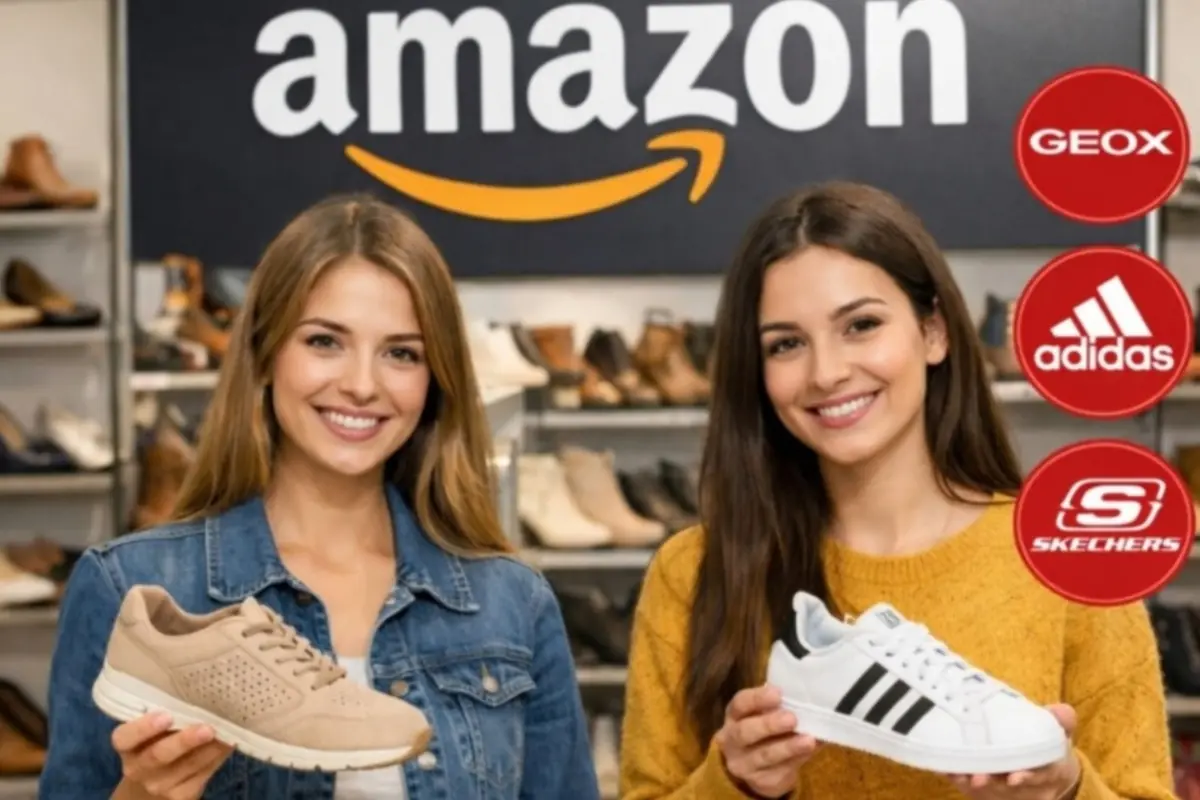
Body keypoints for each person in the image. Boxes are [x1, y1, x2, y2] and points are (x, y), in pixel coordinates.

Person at [620, 182, 1176, 799]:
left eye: (861, 325)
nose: (826, 372)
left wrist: (1067, 790)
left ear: (933, 331)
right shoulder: (695, 570)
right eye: (786, 344)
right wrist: (733, 785)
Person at [39, 195, 600, 800]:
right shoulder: (132, 586)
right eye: (324, 342)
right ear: (264, 353)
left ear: (435, 379)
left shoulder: (513, 603)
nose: (361, 384)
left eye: (401, 353)